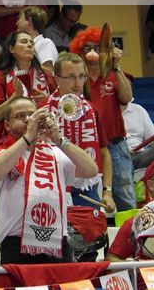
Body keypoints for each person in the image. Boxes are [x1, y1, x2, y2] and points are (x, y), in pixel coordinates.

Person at [0, 96, 98, 264]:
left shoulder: (55, 151)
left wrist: (59, 139)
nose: (28, 119)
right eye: (21, 116)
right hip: (16, 243)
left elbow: (91, 170)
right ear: (7, 125)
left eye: (32, 114)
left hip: (56, 240)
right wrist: (28, 137)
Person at [69, 27, 135, 211]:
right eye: (87, 47)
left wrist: (116, 66)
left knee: (124, 194)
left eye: (98, 48)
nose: (92, 52)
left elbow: (127, 97)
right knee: (90, 197)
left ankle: (129, 234)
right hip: (87, 146)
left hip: (115, 144)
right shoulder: (77, 79)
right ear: (79, 51)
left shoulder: (113, 74)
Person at [46, 53, 115, 212]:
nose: (77, 83)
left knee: (93, 235)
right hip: (54, 186)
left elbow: (104, 153)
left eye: (81, 76)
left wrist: (107, 192)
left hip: (87, 188)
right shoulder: (43, 109)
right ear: (56, 79)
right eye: (70, 77)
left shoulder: (92, 110)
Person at [106, 159, 154, 261]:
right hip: (152, 276)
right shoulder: (137, 222)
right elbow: (111, 259)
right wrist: (140, 267)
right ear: (151, 185)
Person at [0, 31, 56, 123]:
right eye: (24, 42)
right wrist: (16, 96)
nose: (30, 45)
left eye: (32, 43)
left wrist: (45, 100)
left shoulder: (46, 74)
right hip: (15, 131)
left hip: (44, 126)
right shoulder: (0, 76)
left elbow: (58, 105)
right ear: (12, 49)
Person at [122, 98, 154, 169]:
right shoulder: (103, 111)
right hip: (117, 158)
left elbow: (153, 143)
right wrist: (121, 151)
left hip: (140, 156)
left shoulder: (138, 109)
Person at [16, 6, 59, 73]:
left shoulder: (45, 43)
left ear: (29, 21)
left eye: (19, 19)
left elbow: (48, 71)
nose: (17, 23)